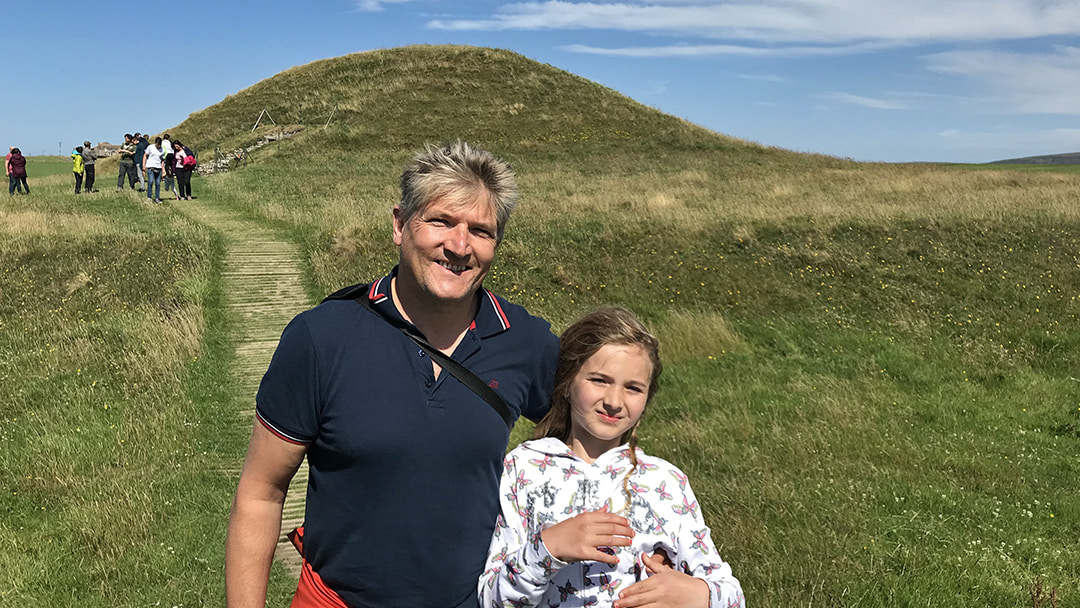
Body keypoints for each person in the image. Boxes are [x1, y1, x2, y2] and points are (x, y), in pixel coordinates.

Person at [225, 141, 560, 608]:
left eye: (480, 231)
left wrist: (678, 571)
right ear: (400, 225)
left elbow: (602, 451)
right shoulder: (322, 337)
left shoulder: (526, 342)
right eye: (440, 221)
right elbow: (261, 493)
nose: (459, 246)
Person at [479, 307, 745, 608]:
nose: (614, 401)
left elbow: (732, 594)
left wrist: (699, 595)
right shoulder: (523, 469)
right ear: (567, 384)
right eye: (599, 380)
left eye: (633, 388)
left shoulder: (666, 482)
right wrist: (547, 548)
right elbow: (492, 599)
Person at [142, 137, 164, 203]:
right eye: (157, 145)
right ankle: (149, 197)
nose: (158, 146)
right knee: (150, 182)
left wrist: (163, 170)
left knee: (157, 183)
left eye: (159, 145)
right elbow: (145, 155)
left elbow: (162, 160)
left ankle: (157, 198)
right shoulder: (150, 147)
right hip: (151, 167)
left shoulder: (162, 150)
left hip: (158, 167)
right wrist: (144, 164)